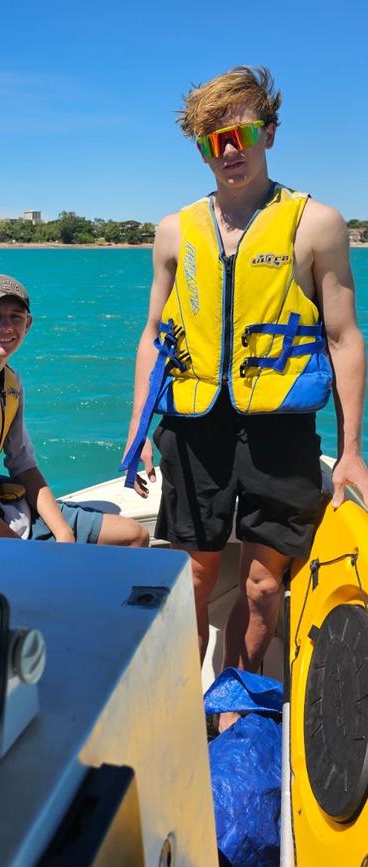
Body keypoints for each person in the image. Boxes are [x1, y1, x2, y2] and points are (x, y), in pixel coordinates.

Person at [121, 66, 368, 727]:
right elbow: (153, 334)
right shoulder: (174, 231)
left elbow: (344, 338)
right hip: (193, 430)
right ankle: (182, 711)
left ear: (269, 133)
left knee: (262, 591)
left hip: (280, 431)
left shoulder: (316, 224)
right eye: (212, 139)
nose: (229, 148)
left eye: (242, 131)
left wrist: (349, 452)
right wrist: (136, 427)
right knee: (193, 582)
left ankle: (234, 707)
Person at [0, 273, 149, 546]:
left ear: (28, 324)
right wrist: (20, 552)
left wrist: (63, 534)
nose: (5, 326)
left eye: (16, 316)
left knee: (135, 536)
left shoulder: (10, 382)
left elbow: (23, 464)